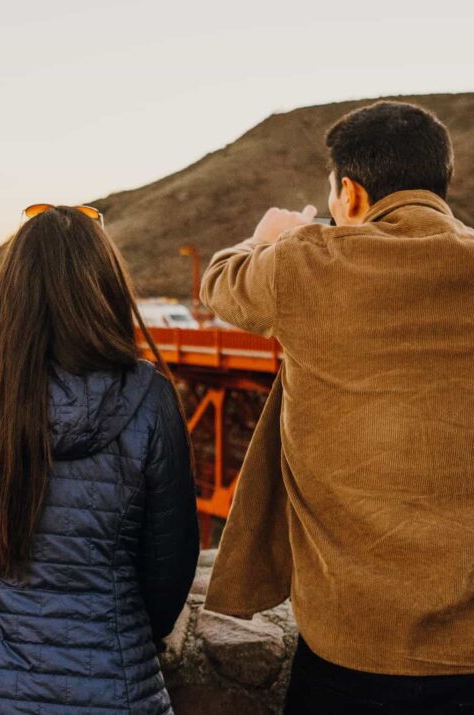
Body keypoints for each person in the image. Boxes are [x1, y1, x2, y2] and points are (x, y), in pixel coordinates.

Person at [200, 101, 474, 712]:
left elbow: (219, 281)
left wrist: (266, 238)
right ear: (441, 179)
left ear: (350, 191)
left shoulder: (306, 264)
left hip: (353, 646)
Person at [0, 205, 200, 714]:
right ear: (105, 287)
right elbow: (169, 572)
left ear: (10, 292)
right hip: (117, 690)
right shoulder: (150, 397)